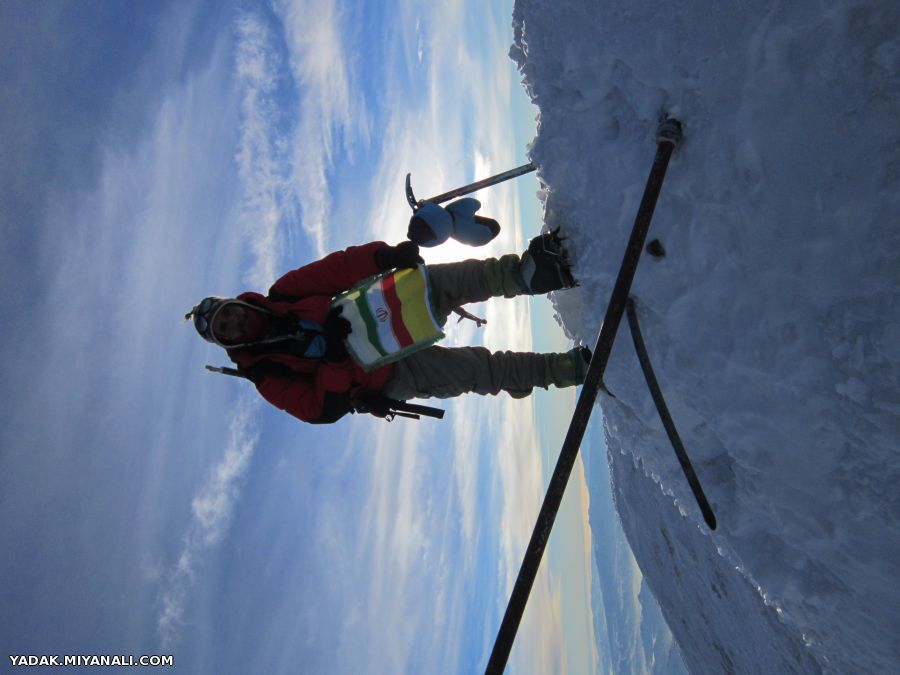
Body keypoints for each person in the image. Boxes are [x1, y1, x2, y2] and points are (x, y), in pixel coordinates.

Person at [187, 221, 590, 424]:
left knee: (448, 282)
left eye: (229, 314)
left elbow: (335, 270)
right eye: (227, 331)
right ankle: (567, 369)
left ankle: (530, 273)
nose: (236, 323)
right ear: (230, 346)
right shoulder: (265, 374)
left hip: (377, 313)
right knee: (477, 370)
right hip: (384, 377)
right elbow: (320, 410)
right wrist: (332, 360)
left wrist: (382, 259)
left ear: (235, 303)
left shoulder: (283, 295)